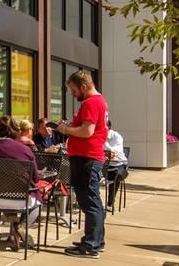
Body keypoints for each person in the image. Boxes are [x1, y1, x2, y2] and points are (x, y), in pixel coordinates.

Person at [57, 69, 108, 258]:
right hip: (88, 157)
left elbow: (87, 132)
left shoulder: (91, 102)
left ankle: (91, 245)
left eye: (74, 90)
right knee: (92, 201)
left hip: (87, 158)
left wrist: (65, 129)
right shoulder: (97, 101)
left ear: (83, 86)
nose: (73, 93)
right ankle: (95, 240)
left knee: (89, 202)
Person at [0, 115, 42, 251]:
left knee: (8, 199)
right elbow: (35, 178)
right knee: (37, 202)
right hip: (21, 198)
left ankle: (15, 230)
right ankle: (22, 226)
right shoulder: (25, 150)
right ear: (15, 131)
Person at [104, 119, 129, 206]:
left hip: (119, 164)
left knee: (115, 175)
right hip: (104, 164)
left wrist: (103, 141)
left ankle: (110, 202)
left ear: (108, 127)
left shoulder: (116, 136)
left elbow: (113, 153)